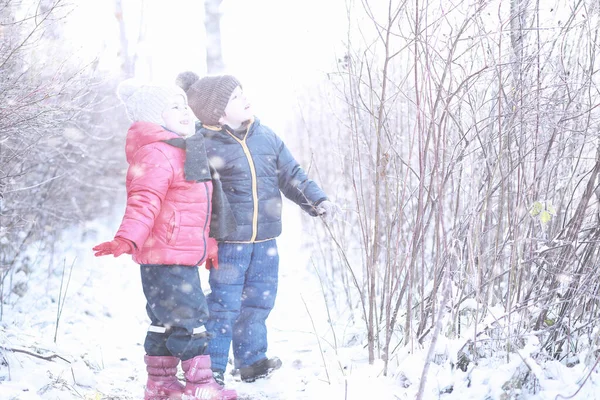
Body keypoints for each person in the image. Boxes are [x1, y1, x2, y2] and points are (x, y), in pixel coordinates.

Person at [175, 72, 340, 386]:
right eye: (236, 97)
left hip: (266, 241)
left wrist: (315, 200)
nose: (245, 99)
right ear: (218, 112)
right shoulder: (202, 145)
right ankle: (212, 370)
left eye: (242, 92)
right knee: (224, 305)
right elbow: (192, 193)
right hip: (228, 243)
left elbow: (291, 175)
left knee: (260, 301)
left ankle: (251, 362)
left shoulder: (266, 137)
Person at [92, 80, 237, 400]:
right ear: (153, 117)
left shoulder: (186, 148)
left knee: (164, 322)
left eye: (184, 105)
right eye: (174, 106)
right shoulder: (157, 153)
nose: (185, 111)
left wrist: (210, 243)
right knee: (192, 319)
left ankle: (161, 385)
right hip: (166, 255)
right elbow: (143, 200)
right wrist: (126, 239)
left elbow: (203, 206)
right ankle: (201, 387)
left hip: (175, 255)